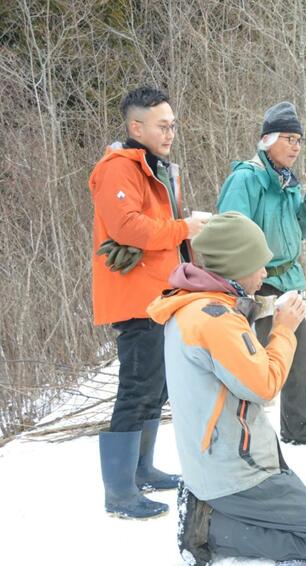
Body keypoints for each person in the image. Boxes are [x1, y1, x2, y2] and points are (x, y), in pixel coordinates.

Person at [147, 212, 306, 566]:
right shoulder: (215, 319)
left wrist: (265, 309)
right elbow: (264, 385)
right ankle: (207, 525)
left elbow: (235, 331)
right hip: (231, 467)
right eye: (259, 265)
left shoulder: (194, 302)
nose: (265, 274)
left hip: (217, 455)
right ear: (237, 265)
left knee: (305, 511)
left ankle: (211, 504)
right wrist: (285, 329)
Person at [90, 86, 208, 518]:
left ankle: (141, 471)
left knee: (156, 389)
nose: (170, 132)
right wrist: (184, 228)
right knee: (137, 390)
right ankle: (119, 492)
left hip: (161, 295)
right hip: (137, 299)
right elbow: (127, 227)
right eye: (162, 125)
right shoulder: (120, 168)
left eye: (173, 124)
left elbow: (153, 226)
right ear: (135, 126)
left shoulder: (153, 167)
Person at [216, 101, 306, 446]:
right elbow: (230, 232)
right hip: (260, 287)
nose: (296, 147)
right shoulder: (247, 179)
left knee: (303, 361)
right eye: (288, 138)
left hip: (289, 283)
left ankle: (297, 428)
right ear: (267, 140)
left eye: (298, 140)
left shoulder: (287, 183)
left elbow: (299, 230)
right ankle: (246, 437)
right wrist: (246, 282)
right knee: (258, 368)